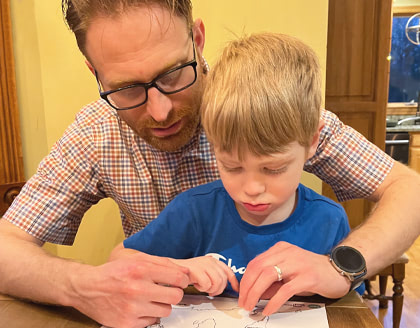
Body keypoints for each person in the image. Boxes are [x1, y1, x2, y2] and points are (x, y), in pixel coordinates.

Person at [0, 0, 419, 327]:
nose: (160, 111)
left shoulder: (264, 110)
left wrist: (340, 264)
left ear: (197, 40)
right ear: (95, 73)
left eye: (172, 74)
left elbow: (411, 191)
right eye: (126, 89)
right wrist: (81, 286)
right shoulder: (94, 133)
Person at [109, 33, 365, 316]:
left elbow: (350, 305)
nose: (252, 188)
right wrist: (179, 268)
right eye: (231, 166)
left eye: (273, 168)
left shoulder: (329, 220)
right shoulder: (194, 211)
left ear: (312, 141)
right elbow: (119, 260)